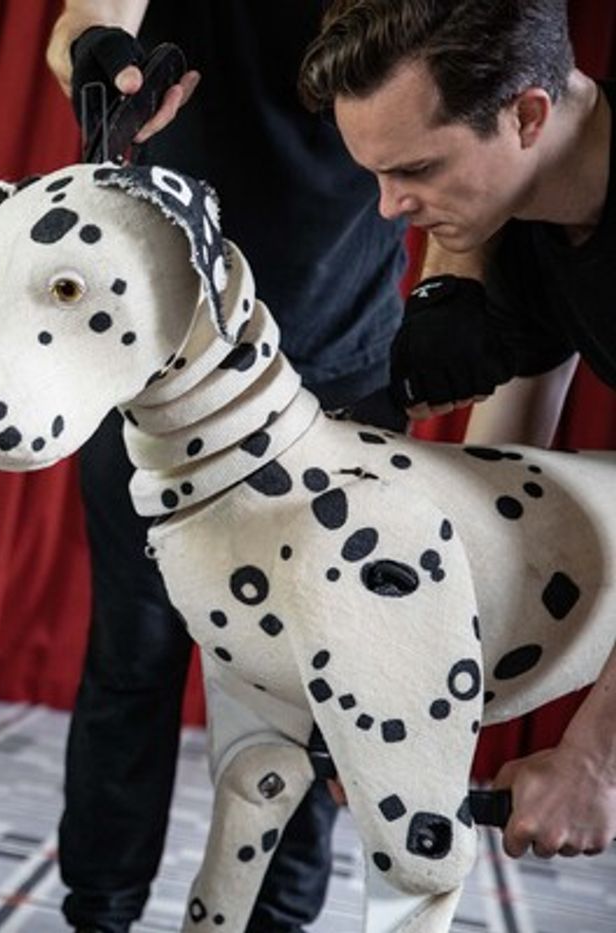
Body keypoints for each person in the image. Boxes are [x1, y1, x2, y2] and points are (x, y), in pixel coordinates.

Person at [44, 2, 412, 930]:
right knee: (132, 661)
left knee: (303, 687)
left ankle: (274, 923)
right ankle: (98, 914)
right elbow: (85, 20)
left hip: (335, 360)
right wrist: (98, 59)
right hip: (160, 355)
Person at [298, 0, 616, 862]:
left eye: (419, 170)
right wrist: (412, 702)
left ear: (527, 114)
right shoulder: (524, 213)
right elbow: (512, 492)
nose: (391, 208)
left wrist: (597, 761)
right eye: (374, 175)